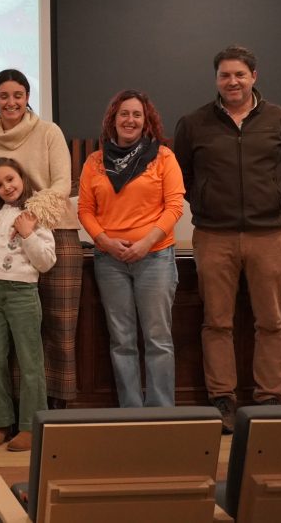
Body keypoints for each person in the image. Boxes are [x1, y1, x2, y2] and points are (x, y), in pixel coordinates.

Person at [173, 45, 281, 432]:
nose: (232, 81)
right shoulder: (194, 123)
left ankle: (270, 399)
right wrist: (205, 201)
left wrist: (273, 201)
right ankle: (223, 400)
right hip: (214, 236)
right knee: (216, 321)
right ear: (216, 79)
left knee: (271, 320)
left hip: (268, 235)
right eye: (224, 75)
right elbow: (181, 175)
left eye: (239, 74)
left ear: (254, 76)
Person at [0, 69, 81, 408]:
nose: (11, 102)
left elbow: (63, 184)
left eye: (18, 95)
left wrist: (31, 216)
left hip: (55, 232)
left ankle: (58, 406)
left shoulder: (49, 132)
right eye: (4, 96)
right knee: (19, 333)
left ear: (27, 97)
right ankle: (22, 410)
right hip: (8, 240)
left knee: (59, 325)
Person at [77, 90, 185, 408]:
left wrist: (146, 243)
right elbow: (85, 210)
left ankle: (162, 413)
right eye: (124, 114)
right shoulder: (95, 162)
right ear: (113, 119)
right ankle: (131, 413)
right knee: (121, 340)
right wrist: (105, 241)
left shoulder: (163, 157)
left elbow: (175, 206)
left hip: (155, 258)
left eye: (137, 114)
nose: (130, 120)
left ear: (146, 120)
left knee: (158, 340)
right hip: (109, 261)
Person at [0, 158, 59, 452]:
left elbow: (47, 261)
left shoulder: (35, 214)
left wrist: (27, 233)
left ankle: (29, 425)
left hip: (22, 293)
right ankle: (1, 421)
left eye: (10, 179)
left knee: (29, 362)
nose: (6, 187)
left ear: (22, 178)